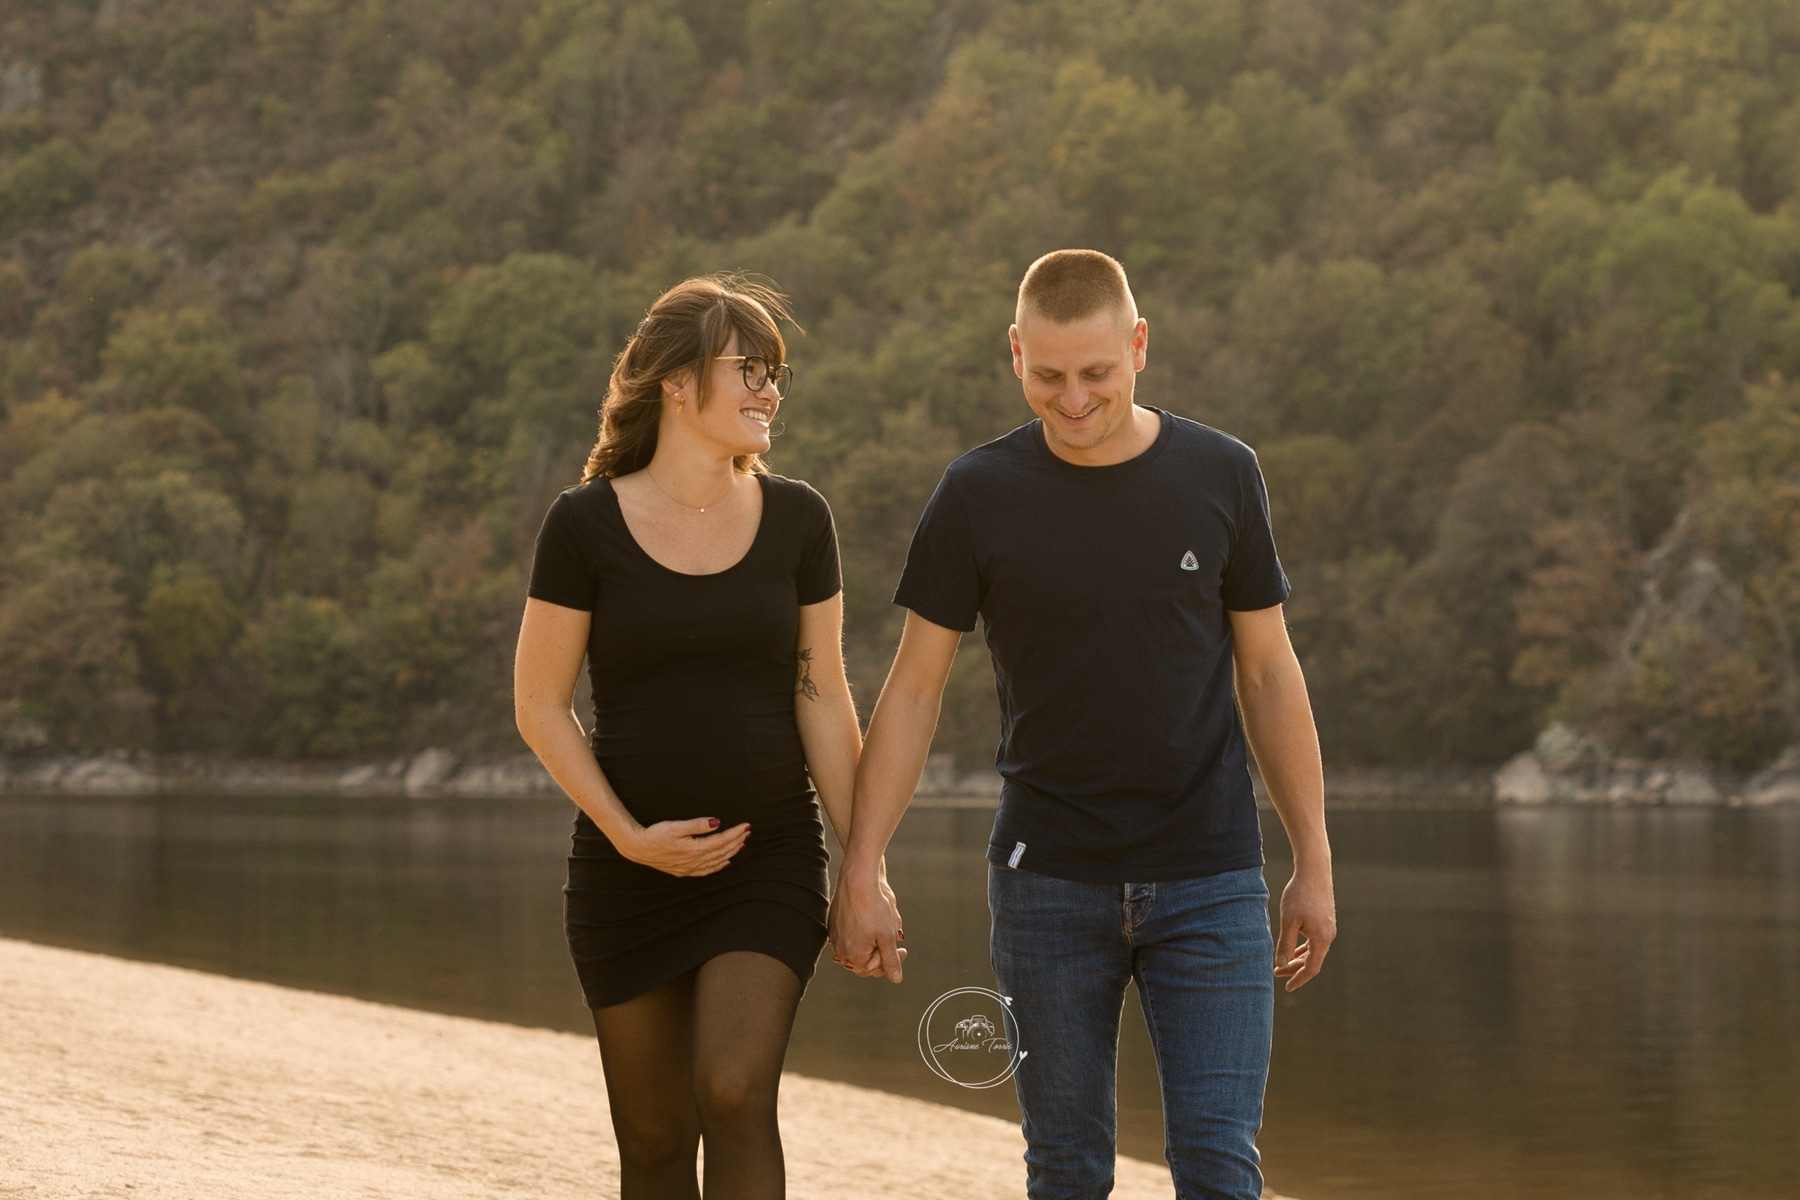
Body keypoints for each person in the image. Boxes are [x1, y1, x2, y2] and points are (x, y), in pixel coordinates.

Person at [828, 249, 1336, 1200]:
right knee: (1065, 1171)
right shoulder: (975, 494)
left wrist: (1314, 857)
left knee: (1221, 1171)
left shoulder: (1224, 475)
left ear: (1138, 347)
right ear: (1015, 353)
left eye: (1096, 374)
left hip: (1212, 878)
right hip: (1045, 885)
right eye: (1048, 375)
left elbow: (1270, 674)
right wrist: (862, 868)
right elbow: (911, 691)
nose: (1071, 399)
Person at [514, 275, 862, 1200]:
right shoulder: (583, 525)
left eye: (775, 374)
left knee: (734, 1088)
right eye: (747, 369)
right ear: (674, 381)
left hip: (769, 856)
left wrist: (866, 864)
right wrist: (629, 834)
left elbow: (822, 693)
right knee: (657, 1137)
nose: (769, 392)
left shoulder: (798, 520)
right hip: (626, 872)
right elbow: (541, 705)